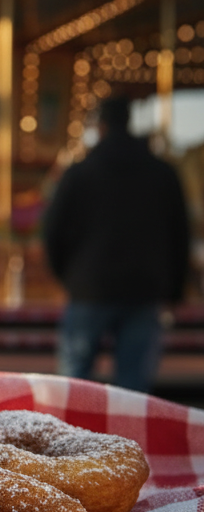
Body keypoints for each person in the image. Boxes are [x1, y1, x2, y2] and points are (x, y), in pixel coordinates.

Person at [43, 94, 191, 393]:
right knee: (133, 386)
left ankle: (72, 439)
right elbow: (180, 235)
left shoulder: (80, 173)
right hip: (145, 287)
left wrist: (68, 277)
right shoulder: (163, 174)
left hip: (89, 286)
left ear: (100, 126)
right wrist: (174, 289)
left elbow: (52, 230)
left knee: (75, 381)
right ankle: (130, 440)